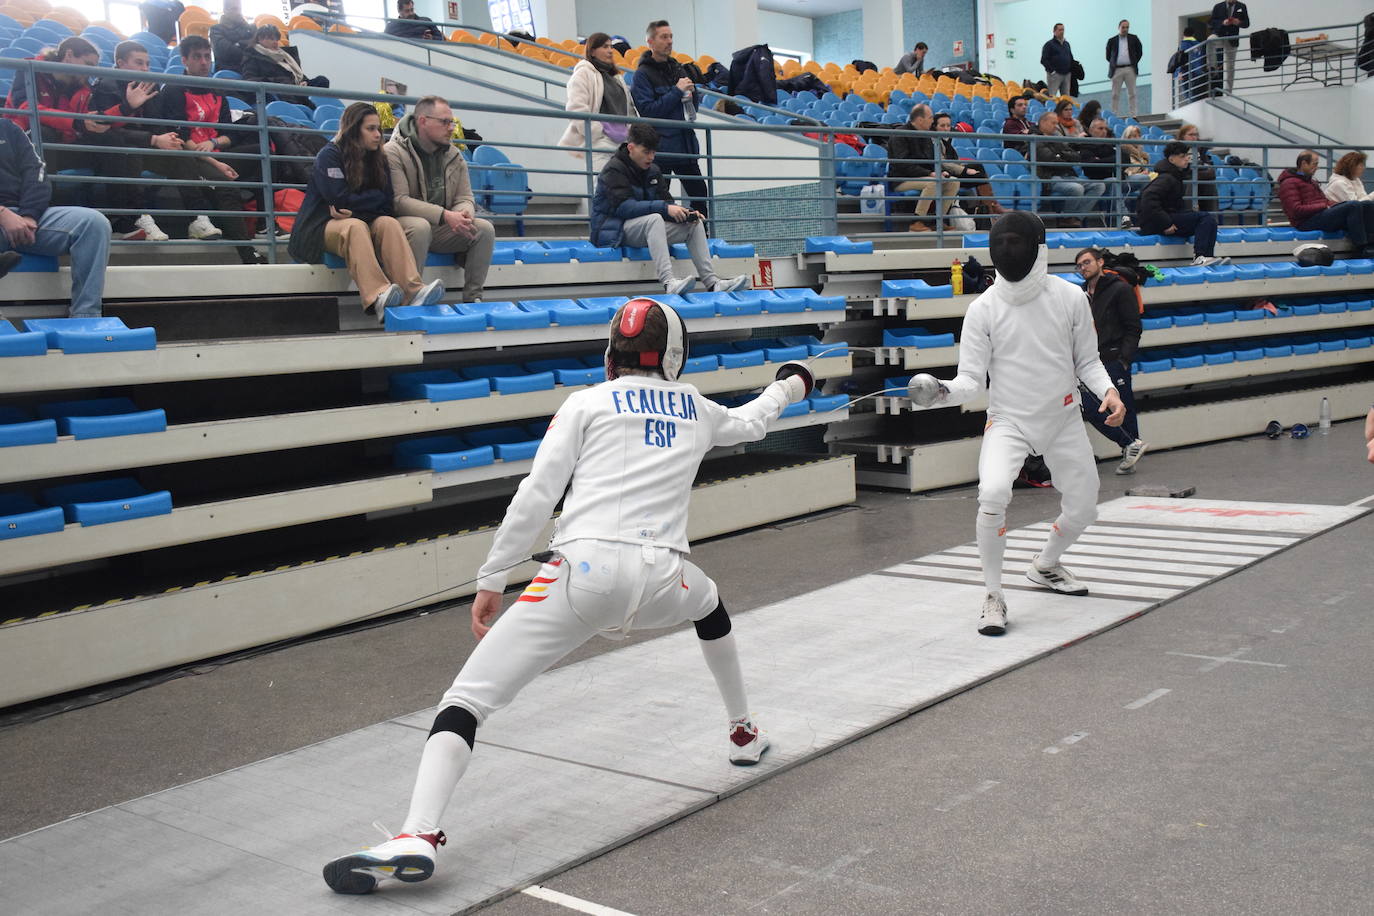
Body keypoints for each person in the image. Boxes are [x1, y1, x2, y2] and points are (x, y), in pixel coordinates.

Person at [320, 297, 813, 894]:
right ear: (675, 356)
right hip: (665, 579)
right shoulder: (696, 407)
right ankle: (742, 733)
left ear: (612, 354)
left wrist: (492, 579)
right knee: (709, 604)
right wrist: (792, 384)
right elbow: (755, 419)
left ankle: (417, 834)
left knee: (467, 700)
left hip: (579, 577)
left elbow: (535, 496)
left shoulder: (584, 402)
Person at [912, 212, 1124, 636]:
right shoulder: (983, 309)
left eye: (1017, 242)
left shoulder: (1069, 297)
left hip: (1063, 416)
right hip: (1008, 419)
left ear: (1038, 247)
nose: (1009, 251)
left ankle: (1045, 565)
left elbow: (1087, 360)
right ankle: (993, 595)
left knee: (1084, 507)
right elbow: (970, 382)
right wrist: (942, 392)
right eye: (1001, 243)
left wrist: (1109, 392)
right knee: (991, 494)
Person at [289, 102, 444, 320]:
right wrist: (367, 203)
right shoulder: (330, 155)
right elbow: (337, 198)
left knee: (388, 223)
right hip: (320, 227)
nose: (378, 135)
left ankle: (413, 290)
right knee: (355, 226)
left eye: (379, 129)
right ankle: (377, 295)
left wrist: (355, 209)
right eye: (370, 129)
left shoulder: (379, 158)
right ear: (354, 130)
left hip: (355, 220)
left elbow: (386, 202)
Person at [589, 123, 746, 296]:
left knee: (694, 224)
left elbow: (666, 202)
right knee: (655, 218)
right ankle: (668, 282)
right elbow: (625, 208)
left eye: (654, 152)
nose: (651, 157)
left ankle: (712, 282)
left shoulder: (653, 170)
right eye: (646, 152)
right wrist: (664, 209)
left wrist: (685, 214)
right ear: (631, 148)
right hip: (614, 231)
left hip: (643, 228)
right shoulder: (614, 169)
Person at [154, 35, 263, 262]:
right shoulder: (174, 90)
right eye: (197, 57)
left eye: (207, 57)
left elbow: (229, 135)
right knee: (225, 184)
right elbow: (180, 136)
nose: (204, 63)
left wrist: (214, 143)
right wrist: (214, 159)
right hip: (189, 155)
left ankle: (264, 223)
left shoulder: (217, 91)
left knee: (264, 152)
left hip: (214, 153)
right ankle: (247, 251)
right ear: (184, 60)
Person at [385, 95, 495, 304]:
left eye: (452, 122)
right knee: (420, 227)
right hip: (402, 225)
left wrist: (464, 215)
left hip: (442, 227)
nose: (451, 128)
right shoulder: (393, 152)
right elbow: (399, 201)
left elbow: (465, 196)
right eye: (444, 122)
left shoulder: (453, 154)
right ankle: (408, 299)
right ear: (423, 121)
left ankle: (474, 298)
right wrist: (445, 216)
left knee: (484, 229)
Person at [0, 119, 110, 318]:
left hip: (26, 217)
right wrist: (3, 214)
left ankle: (86, 316)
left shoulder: (8, 129)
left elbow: (37, 172)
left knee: (93, 223)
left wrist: (28, 215)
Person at [88, 40, 180, 242]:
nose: (145, 69)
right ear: (120, 63)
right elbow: (107, 129)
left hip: (144, 146)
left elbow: (156, 122)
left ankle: (198, 218)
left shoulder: (149, 86)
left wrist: (167, 138)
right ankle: (137, 217)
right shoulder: (105, 86)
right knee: (129, 150)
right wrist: (154, 139)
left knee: (182, 155)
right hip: (116, 149)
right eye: (139, 63)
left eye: (147, 64)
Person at [1073, 247, 1147, 474]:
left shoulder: (1120, 290)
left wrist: (1124, 359)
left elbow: (1133, 327)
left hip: (1114, 357)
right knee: (1091, 407)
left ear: (1100, 262)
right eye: (1079, 265)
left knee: (1123, 406)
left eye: (1087, 262)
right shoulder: (1081, 293)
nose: (1083, 268)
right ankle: (1131, 445)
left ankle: (1131, 447)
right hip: (1091, 360)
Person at [631, 20, 708, 218]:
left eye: (671, 36)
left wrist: (691, 94)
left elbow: (692, 105)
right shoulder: (642, 75)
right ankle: (668, 243)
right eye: (664, 37)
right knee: (661, 201)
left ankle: (703, 239)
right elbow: (648, 111)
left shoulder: (679, 69)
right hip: (661, 149)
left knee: (701, 197)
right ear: (650, 41)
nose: (669, 41)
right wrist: (676, 91)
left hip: (685, 146)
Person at [558, 31, 639, 175]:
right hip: (601, 142)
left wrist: (630, 134)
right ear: (593, 51)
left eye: (610, 47)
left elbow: (629, 109)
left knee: (624, 189)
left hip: (623, 143)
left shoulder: (617, 78)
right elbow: (576, 108)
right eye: (604, 46)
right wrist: (598, 132)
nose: (609, 50)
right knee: (603, 187)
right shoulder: (583, 74)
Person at [1137, 141, 1227, 266]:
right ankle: (1200, 256)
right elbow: (1148, 198)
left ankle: (1206, 257)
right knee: (1205, 218)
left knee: (1209, 220)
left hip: (1167, 217)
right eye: (1182, 156)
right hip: (1157, 223)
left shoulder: (1176, 175)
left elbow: (1208, 175)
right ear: (1172, 159)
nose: (1187, 158)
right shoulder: (1167, 178)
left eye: (1186, 155)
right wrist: (1166, 223)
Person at [1279, 151, 1374, 257]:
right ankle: (1362, 247)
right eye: (1315, 164)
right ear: (1304, 163)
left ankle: (1371, 244)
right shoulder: (1288, 183)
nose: (1317, 167)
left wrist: (1334, 205)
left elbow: (1324, 201)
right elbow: (1295, 211)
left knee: (1367, 205)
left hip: (1321, 215)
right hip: (1305, 222)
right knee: (1353, 205)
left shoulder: (1311, 181)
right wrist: (1325, 206)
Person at [888, 104, 961, 232]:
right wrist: (930, 174)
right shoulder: (899, 135)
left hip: (923, 176)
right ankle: (916, 222)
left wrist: (940, 172)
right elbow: (903, 165)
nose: (933, 121)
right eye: (930, 118)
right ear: (920, 120)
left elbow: (931, 161)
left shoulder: (926, 136)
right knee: (933, 183)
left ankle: (938, 221)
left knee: (953, 182)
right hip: (901, 179)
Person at [1031, 112, 1104, 227]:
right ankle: (1066, 218)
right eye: (1053, 123)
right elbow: (1050, 161)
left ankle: (1075, 217)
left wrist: (1061, 155)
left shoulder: (1056, 138)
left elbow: (1076, 156)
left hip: (1068, 175)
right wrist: (1064, 157)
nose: (1056, 126)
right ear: (1043, 122)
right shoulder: (1034, 139)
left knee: (1099, 186)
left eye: (1057, 123)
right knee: (1077, 188)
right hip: (1050, 177)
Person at [933, 111, 1004, 215]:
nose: (946, 128)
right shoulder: (934, 141)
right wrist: (965, 170)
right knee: (978, 171)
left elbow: (955, 161)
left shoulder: (947, 140)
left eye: (948, 125)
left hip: (952, 171)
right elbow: (943, 163)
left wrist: (965, 169)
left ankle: (989, 206)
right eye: (942, 125)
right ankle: (990, 207)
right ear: (935, 127)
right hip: (943, 173)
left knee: (978, 170)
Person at [237, 25, 331, 94]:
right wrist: (278, 81)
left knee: (322, 80)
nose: (275, 42)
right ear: (260, 39)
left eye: (276, 39)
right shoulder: (252, 56)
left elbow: (299, 75)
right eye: (271, 39)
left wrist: (305, 82)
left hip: (296, 88)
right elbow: (249, 80)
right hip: (279, 92)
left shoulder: (285, 56)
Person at [1207, 0, 1250, 92]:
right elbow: (1211, 23)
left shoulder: (1241, 6)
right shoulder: (1218, 6)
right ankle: (1212, 66)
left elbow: (1247, 23)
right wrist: (1222, 22)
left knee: (1230, 66)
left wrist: (1238, 22)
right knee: (1210, 39)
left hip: (1232, 39)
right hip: (1219, 35)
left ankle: (1228, 90)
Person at [1106, 20, 1143, 117]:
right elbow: (1108, 56)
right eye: (1123, 27)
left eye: (1127, 27)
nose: (1125, 29)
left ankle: (1134, 115)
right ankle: (1114, 114)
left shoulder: (1134, 38)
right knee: (1115, 94)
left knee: (1132, 93)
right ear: (1118, 27)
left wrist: (1133, 61)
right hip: (1116, 70)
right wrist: (1114, 63)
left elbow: (1139, 52)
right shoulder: (1112, 40)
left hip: (1130, 69)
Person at [1176, 124, 1216, 211]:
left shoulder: (1201, 150)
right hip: (1184, 180)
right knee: (1191, 181)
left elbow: (1212, 172)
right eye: (1191, 135)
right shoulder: (1177, 150)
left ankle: (1211, 217)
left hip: (1198, 178)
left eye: (1196, 135)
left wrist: (1196, 173)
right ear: (1183, 136)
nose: (1194, 137)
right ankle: (1189, 214)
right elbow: (1181, 170)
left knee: (1210, 184)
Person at [209, 0, 255, 72]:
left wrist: (238, 44)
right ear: (225, 10)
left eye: (239, 9)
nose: (238, 12)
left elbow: (259, 48)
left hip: (252, 71)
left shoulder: (251, 28)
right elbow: (226, 52)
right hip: (229, 72)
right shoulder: (216, 30)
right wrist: (246, 45)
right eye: (234, 9)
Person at [1040, 23, 1073, 98]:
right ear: (1054, 31)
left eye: (1063, 30)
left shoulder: (1066, 44)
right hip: (1055, 75)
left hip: (1066, 74)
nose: (1062, 32)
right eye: (1060, 30)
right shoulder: (1049, 45)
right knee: (1052, 96)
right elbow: (1043, 60)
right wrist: (1052, 71)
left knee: (1066, 98)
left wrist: (1071, 69)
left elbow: (1070, 57)